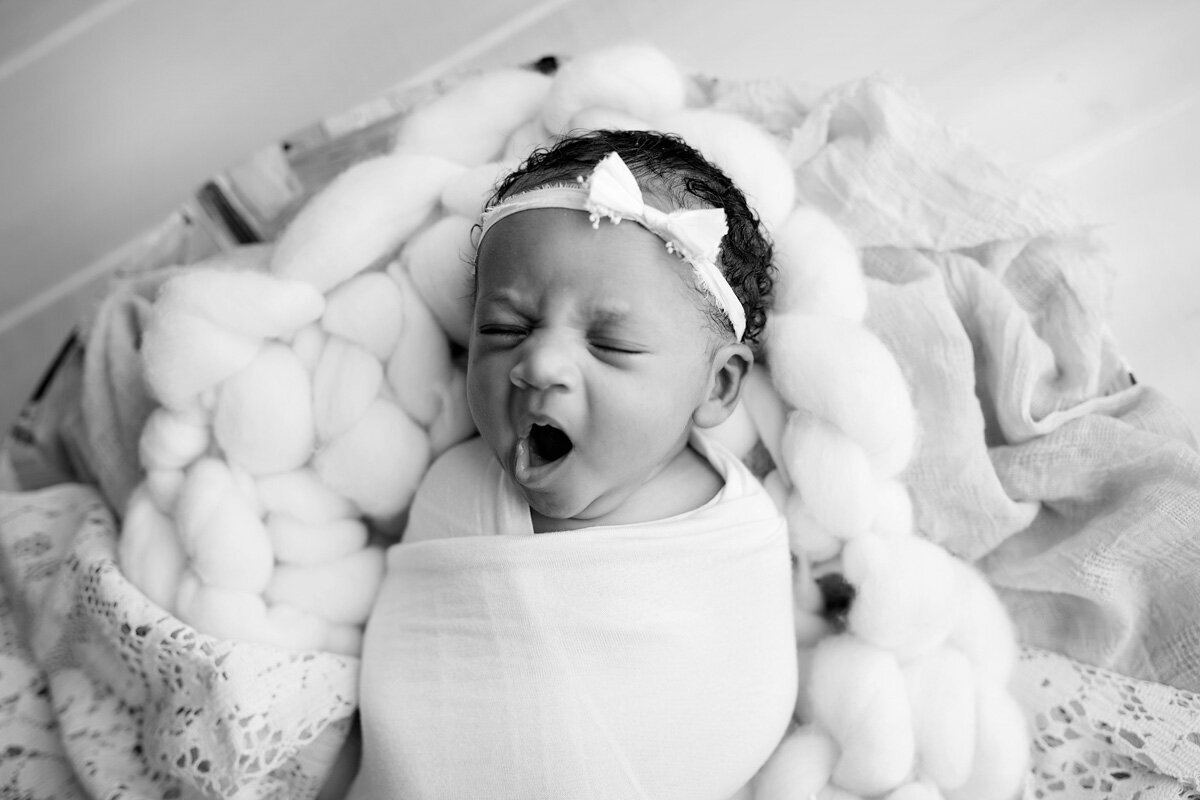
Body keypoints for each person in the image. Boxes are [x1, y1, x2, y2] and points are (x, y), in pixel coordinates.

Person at [347, 130, 798, 800]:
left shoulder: (733, 542)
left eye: (611, 343)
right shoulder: (457, 490)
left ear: (719, 386)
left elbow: (740, 706)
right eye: (504, 330)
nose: (538, 365)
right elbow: (409, 691)